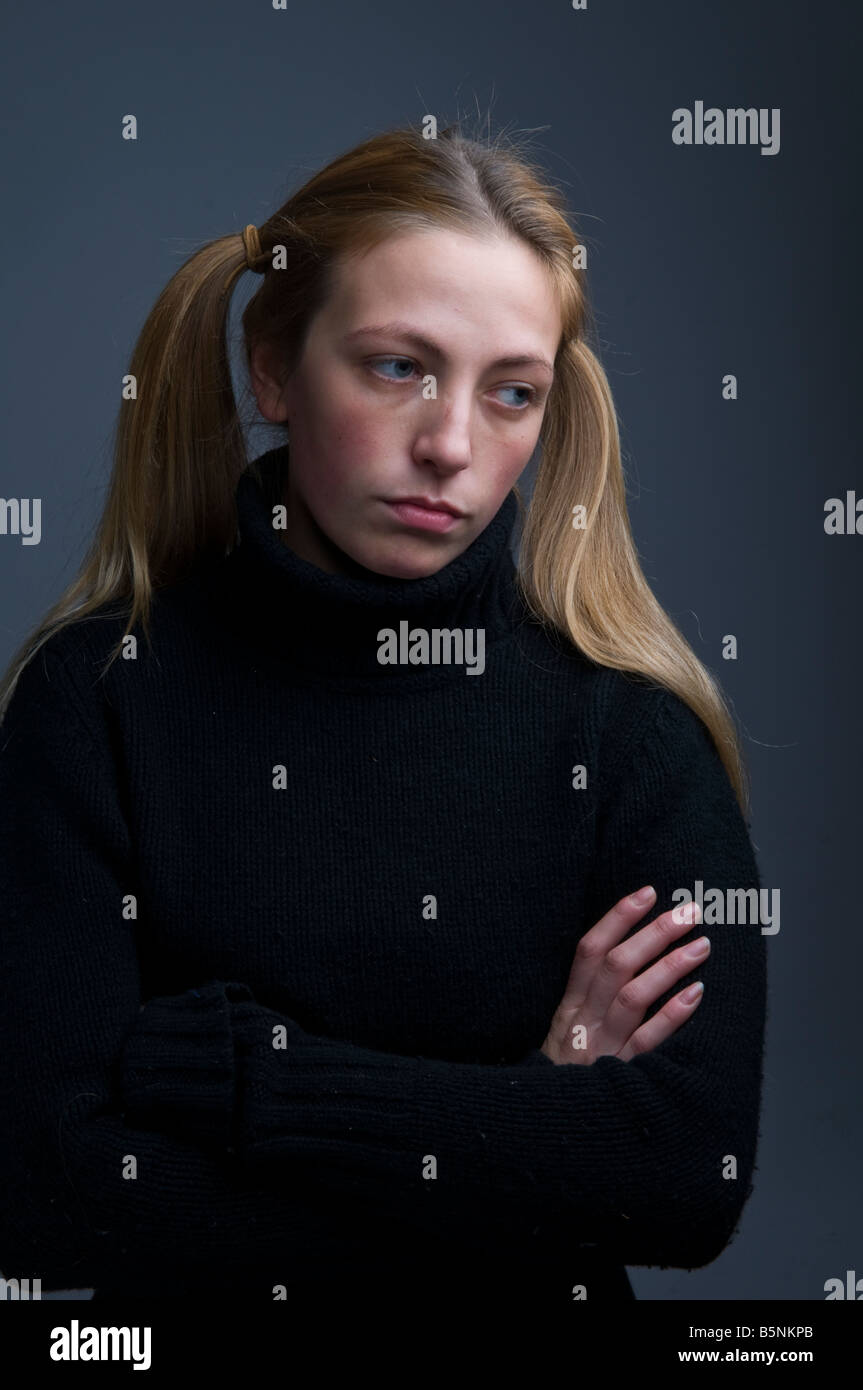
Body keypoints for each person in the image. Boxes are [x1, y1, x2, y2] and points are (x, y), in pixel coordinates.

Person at [0, 120, 767, 1311]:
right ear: (272, 367)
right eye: (397, 366)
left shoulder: (632, 735)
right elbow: (49, 1198)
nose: (450, 446)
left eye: (511, 393)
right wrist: (534, 1105)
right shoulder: (93, 702)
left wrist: (257, 1084)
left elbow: (682, 1180)